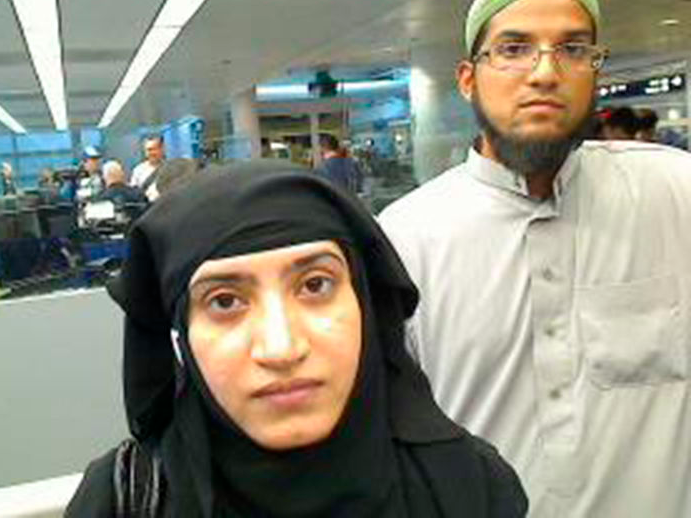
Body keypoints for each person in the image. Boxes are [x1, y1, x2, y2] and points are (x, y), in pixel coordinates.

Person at [65, 162, 528, 517]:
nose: (282, 348)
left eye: (314, 286)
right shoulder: (121, 501)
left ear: (365, 302)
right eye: (225, 301)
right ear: (182, 334)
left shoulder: (468, 488)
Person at [378, 0, 691, 517]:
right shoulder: (407, 237)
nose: (545, 73)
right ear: (467, 79)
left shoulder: (674, 194)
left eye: (572, 49)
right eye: (513, 49)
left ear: (595, 72)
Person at [130, 135, 165, 202]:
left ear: (161, 149)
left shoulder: (169, 168)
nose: (151, 153)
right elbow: (134, 193)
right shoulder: (138, 171)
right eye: (148, 150)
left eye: (154, 149)